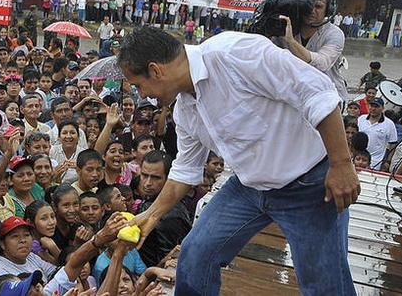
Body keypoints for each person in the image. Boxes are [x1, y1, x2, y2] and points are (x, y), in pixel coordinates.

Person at [118, 27, 359, 295]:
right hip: (249, 187)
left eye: (139, 85)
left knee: (324, 284)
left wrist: (341, 164)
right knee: (196, 253)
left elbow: (317, 92)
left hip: (309, 184)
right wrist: (151, 215)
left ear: (155, 70)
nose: (142, 95)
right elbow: (185, 170)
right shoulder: (185, 110)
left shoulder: (235, 53)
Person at [280, 0, 349, 101]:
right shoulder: (286, 27)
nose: (311, 10)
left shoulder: (335, 34)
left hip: (329, 99)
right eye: (307, 4)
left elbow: (322, 63)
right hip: (298, 96)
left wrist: (291, 42)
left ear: (328, 9)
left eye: (318, 6)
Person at [358, 97, 397, 171]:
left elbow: (393, 144)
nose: (373, 109)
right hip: (358, 160)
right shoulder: (361, 119)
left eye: (376, 106)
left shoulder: (389, 124)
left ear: (382, 108)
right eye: (371, 106)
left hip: (376, 163)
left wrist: (388, 161)